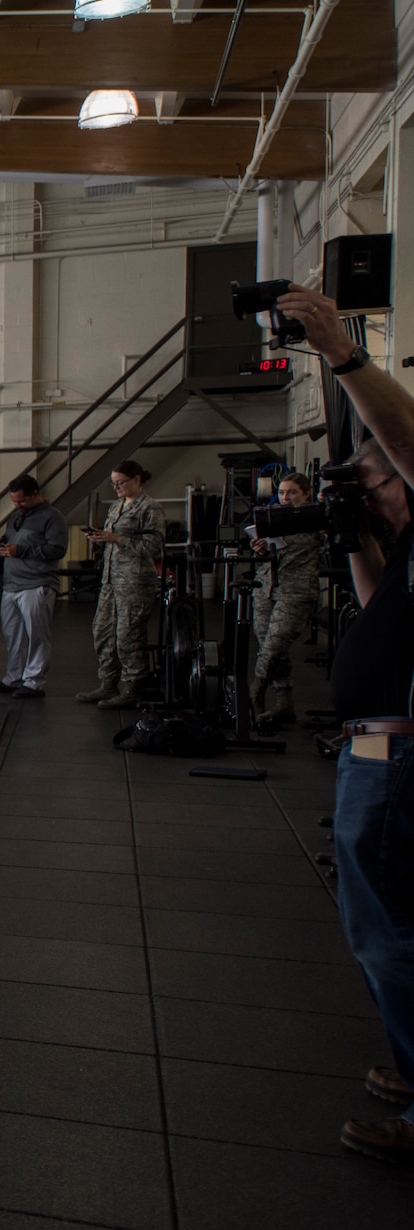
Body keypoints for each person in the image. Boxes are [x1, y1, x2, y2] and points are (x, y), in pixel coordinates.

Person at [281, 285, 414, 1161]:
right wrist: (358, 537)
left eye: (375, 480)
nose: (369, 488)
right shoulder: (404, 549)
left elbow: (405, 441)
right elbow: (377, 619)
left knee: (394, 938)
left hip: (399, 766)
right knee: (382, 935)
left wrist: (342, 354)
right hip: (373, 754)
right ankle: (410, 1059)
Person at [77, 459, 162, 709]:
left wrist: (117, 538)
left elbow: (153, 546)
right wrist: (99, 539)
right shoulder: (116, 507)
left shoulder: (150, 508)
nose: (116, 488)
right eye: (113, 484)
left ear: (137, 479)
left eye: (120, 483)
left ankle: (132, 687)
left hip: (135, 582)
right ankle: (108, 683)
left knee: (128, 637)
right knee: (102, 632)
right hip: (111, 580)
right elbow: (111, 539)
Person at [249, 471, 319, 723]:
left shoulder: (314, 518)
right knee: (271, 648)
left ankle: (255, 690)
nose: (285, 497)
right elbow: (268, 554)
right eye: (281, 492)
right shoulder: (271, 518)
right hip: (266, 588)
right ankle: (284, 702)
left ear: (305, 494)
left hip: (295, 590)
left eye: (292, 492)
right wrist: (259, 548)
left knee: (273, 646)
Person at [0, 475, 67, 700]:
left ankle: (34, 681)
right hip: (11, 585)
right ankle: (13, 676)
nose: (17, 505)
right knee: (13, 635)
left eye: (21, 501)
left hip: (37, 584)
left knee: (37, 635)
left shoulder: (53, 518)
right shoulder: (16, 516)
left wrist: (21, 551)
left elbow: (57, 549)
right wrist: (5, 545)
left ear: (35, 494)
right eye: (14, 501)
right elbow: (15, 539)